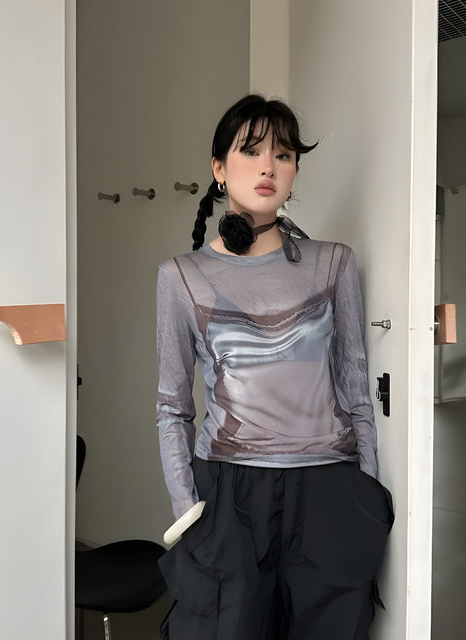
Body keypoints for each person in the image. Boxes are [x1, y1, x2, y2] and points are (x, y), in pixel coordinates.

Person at [156, 94, 394, 640]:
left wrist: (366, 494)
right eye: (251, 151)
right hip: (229, 494)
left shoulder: (333, 262)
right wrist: (187, 511)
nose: (268, 166)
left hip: (329, 491)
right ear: (219, 169)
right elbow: (172, 407)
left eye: (283, 155)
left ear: (294, 171)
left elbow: (355, 384)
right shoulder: (181, 276)